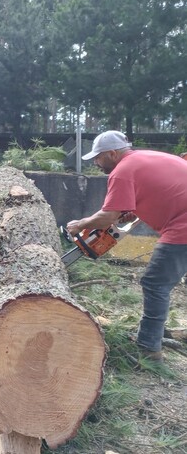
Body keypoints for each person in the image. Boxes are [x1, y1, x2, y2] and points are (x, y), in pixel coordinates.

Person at [66, 130, 187, 362]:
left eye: (98, 158)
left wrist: (79, 224)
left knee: (155, 283)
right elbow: (164, 190)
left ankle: (149, 350)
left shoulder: (122, 171)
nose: (96, 163)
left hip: (182, 227)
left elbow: (107, 215)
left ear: (112, 153)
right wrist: (131, 210)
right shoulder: (148, 157)